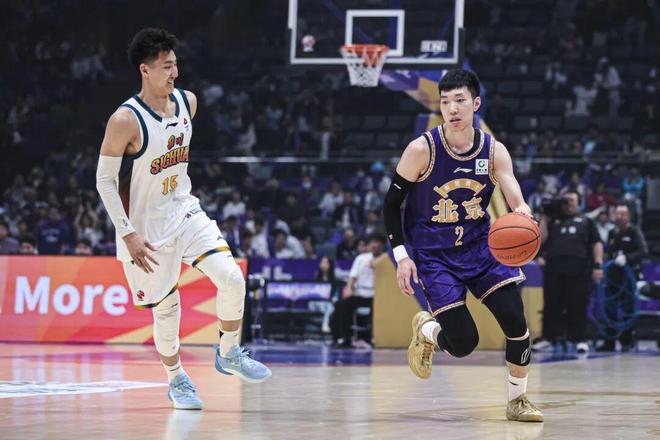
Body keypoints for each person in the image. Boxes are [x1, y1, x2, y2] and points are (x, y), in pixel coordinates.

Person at [95, 28, 270, 411]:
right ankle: (176, 379)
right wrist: (127, 234)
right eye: (165, 66)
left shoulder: (188, 102)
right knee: (167, 310)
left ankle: (229, 352)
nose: (174, 72)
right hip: (145, 231)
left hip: (185, 211)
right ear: (145, 70)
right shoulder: (125, 120)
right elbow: (104, 181)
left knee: (232, 277)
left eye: (175, 64)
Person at [383, 69, 543, 422]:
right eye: (445, 102)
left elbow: (514, 195)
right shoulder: (421, 150)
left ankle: (518, 401)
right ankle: (427, 330)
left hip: (480, 247)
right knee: (463, 343)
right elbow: (391, 206)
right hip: (435, 256)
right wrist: (402, 255)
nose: (452, 109)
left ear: (476, 103)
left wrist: (522, 211)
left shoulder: (493, 151)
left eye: (459, 100)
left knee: (515, 320)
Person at [537, 191, 603, 354]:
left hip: (578, 269)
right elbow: (541, 238)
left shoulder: (586, 221)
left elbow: (596, 243)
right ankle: (549, 339)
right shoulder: (553, 220)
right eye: (565, 200)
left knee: (577, 305)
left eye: (572, 200)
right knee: (552, 304)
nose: (568, 203)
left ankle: (580, 339)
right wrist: (544, 215)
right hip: (554, 268)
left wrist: (598, 265)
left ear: (579, 203)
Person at [597, 205, 648, 352]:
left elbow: (643, 251)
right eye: (617, 214)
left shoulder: (634, 231)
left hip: (629, 276)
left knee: (628, 309)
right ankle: (609, 342)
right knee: (609, 309)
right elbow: (608, 252)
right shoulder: (612, 233)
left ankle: (627, 341)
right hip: (613, 277)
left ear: (628, 216)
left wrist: (627, 258)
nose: (619, 217)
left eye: (623, 214)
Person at [330, 233, 385, 348]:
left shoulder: (387, 260)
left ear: (382, 245)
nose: (374, 245)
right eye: (372, 242)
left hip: (378, 296)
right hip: (360, 293)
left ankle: (371, 338)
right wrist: (349, 288)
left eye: (377, 242)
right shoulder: (361, 258)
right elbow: (353, 276)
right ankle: (344, 338)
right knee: (341, 305)